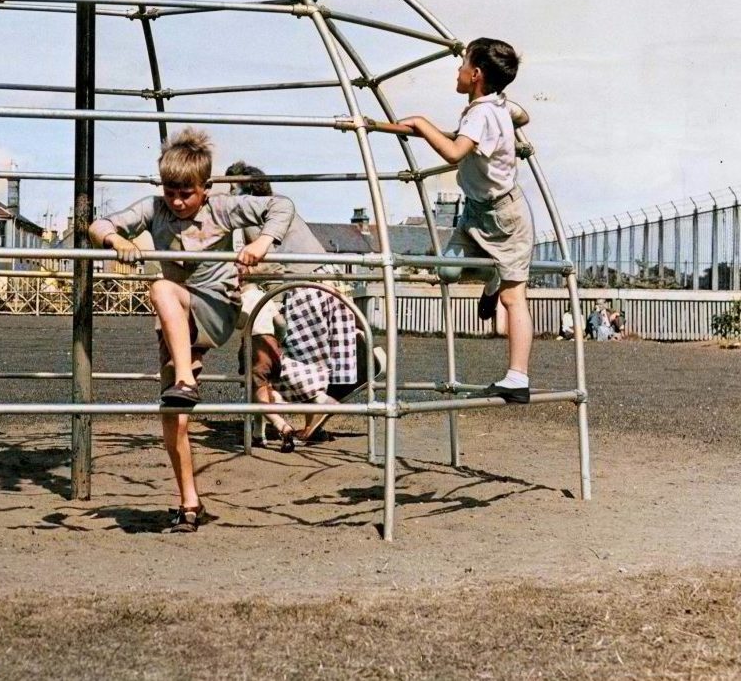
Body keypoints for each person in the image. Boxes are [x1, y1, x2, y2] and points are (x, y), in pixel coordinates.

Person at [89, 129, 295, 532]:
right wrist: (117, 240)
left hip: (215, 310)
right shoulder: (155, 209)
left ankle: (185, 378)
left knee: (162, 285)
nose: (178, 202)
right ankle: (189, 502)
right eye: (171, 192)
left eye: (187, 194)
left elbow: (281, 205)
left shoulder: (222, 209)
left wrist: (262, 244)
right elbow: (99, 224)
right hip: (177, 324)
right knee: (174, 414)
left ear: (205, 188)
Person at [398, 38, 535, 403]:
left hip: (504, 216)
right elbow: (521, 114)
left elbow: (455, 152)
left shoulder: (480, 113)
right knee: (447, 271)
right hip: (476, 211)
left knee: (513, 297)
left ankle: (517, 377)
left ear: (475, 75)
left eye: (462, 64)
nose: (457, 71)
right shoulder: (494, 106)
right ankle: (491, 274)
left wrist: (422, 124)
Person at [224, 161, 381, 451]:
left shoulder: (259, 216)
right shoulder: (276, 209)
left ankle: (326, 399)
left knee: (295, 360)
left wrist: (236, 273)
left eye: (232, 189)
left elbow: (270, 265)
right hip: (320, 281)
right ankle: (313, 422)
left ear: (247, 190)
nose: (228, 197)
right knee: (313, 359)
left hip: (304, 287)